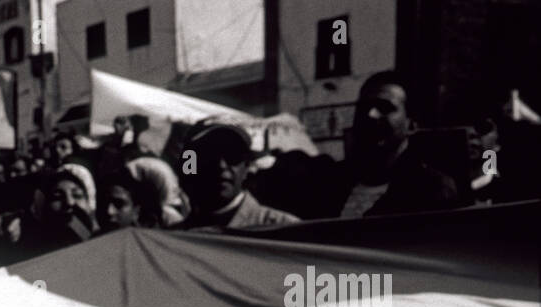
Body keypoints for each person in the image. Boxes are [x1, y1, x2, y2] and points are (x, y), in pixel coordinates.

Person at [330, 71, 460, 218]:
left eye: (385, 107)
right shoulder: (330, 182)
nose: (370, 115)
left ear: (412, 124)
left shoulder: (431, 188)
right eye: (363, 107)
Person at [179, 122, 300, 231]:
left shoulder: (285, 228)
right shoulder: (174, 237)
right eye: (210, 155)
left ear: (247, 166)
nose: (221, 165)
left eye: (232, 155)